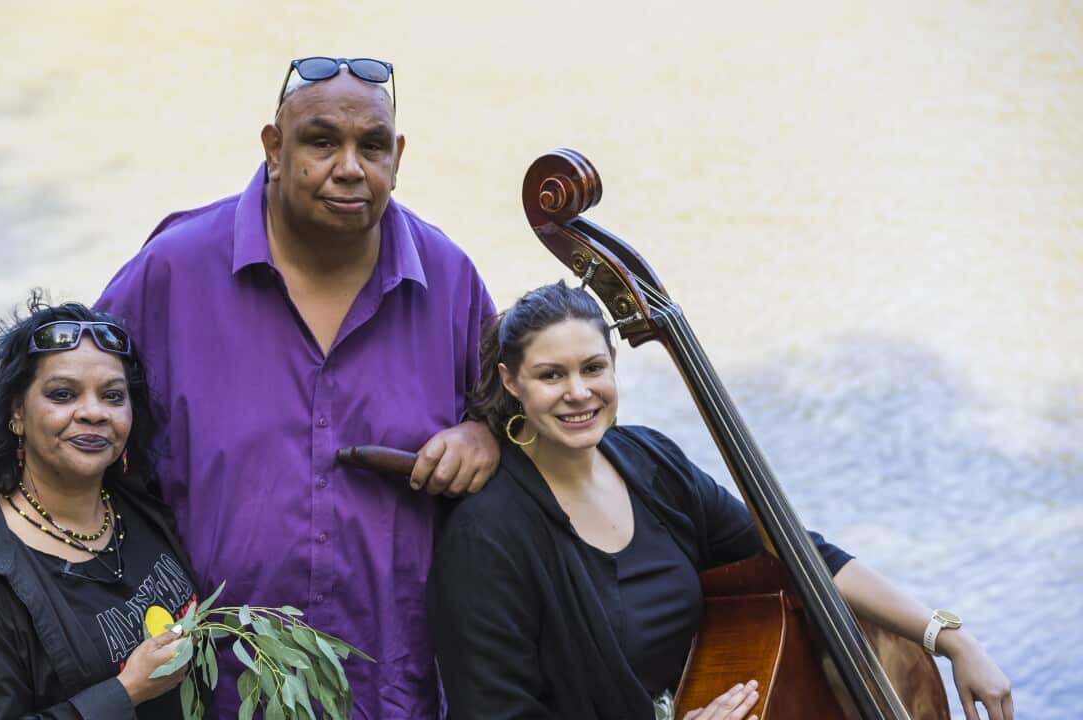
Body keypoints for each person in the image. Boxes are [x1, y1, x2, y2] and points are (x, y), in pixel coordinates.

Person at [0, 57, 498, 719]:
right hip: (208, 691)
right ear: (273, 149)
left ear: (397, 156)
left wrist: (486, 433)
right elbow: (64, 393)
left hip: (393, 688)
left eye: (370, 147)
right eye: (320, 141)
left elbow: (525, 416)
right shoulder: (173, 269)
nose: (348, 167)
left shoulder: (450, 280)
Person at [427, 282, 1014, 720]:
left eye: (593, 368)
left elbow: (799, 557)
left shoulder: (650, 464)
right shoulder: (487, 535)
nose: (579, 393)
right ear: (511, 382)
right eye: (551, 375)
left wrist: (949, 637)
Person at [0, 297, 201, 719]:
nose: (93, 413)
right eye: (63, 395)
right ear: (16, 412)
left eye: (113, 396)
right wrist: (125, 692)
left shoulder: (135, 498)